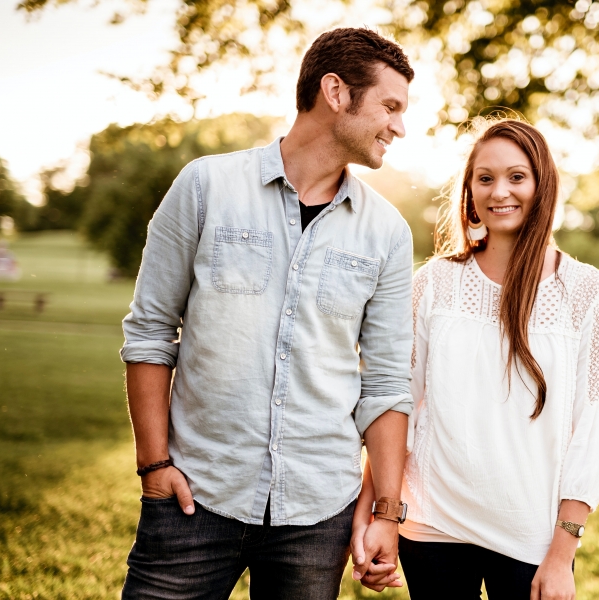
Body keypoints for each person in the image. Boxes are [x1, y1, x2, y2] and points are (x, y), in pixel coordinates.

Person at [119, 28, 414, 599]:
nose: (399, 126)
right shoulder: (206, 186)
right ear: (335, 91)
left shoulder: (388, 234)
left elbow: (386, 383)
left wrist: (387, 513)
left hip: (317, 512)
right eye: (390, 106)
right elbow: (151, 332)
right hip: (194, 498)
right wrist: (154, 466)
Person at [353, 119, 599, 599]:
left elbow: (593, 430)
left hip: (530, 537)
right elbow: (398, 406)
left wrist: (561, 555)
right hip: (432, 525)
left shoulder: (587, 291)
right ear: (470, 190)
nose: (500, 191)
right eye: (485, 177)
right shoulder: (433, 283)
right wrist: (379, 515)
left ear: (542, 185)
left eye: (517, 176)